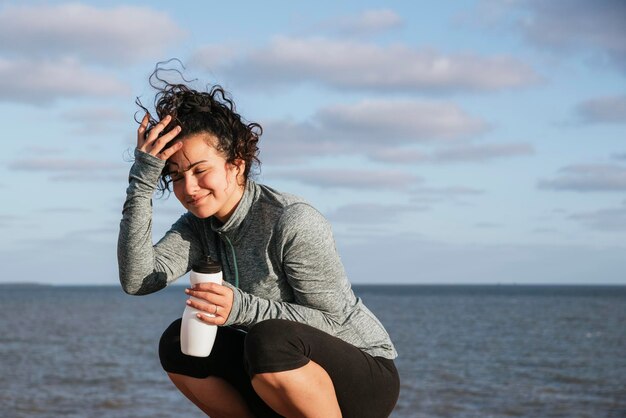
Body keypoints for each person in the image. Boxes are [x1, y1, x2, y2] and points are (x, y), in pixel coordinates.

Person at [117, 69, 399, 418]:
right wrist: (143, 178)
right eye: (176, 175)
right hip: (272, 369)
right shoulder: (198, 227)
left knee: (269, 340)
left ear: (236, 166)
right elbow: (138, 279)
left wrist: (240, 309)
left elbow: (335, 322)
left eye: (200, 170)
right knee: (178, 344)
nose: (188, 188)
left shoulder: (292, 220)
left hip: (362, 374)